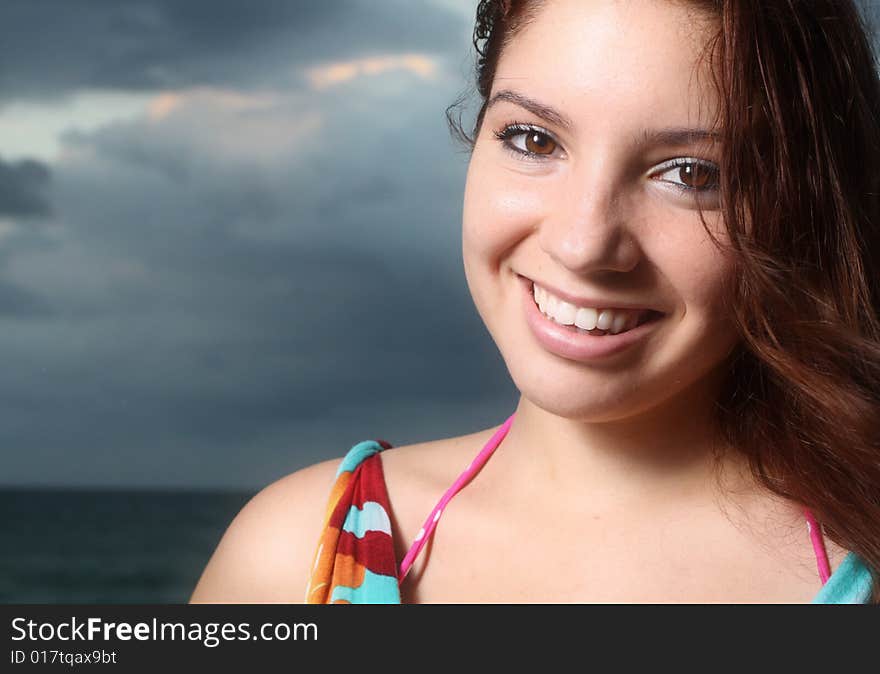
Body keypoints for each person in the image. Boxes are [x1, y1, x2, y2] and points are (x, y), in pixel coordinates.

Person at [190, 0, 880, 604]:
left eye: (692, 174)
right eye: (534, 139)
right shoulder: (292, 558)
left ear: (804, 209)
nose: (584, 244)